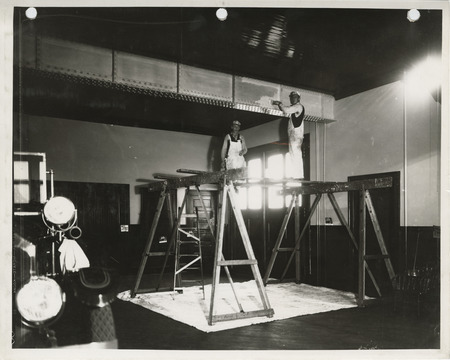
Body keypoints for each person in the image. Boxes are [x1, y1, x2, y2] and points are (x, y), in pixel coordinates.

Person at [272, 91, 305, 179]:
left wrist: (280, 104)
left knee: (296, 154)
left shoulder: (298, 106)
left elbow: (286, 110)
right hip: (293, 135)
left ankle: (298, 176)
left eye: (295, 97)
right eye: (291, 97)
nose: (292, 98)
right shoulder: (294, 109)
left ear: (298, 98)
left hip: (296, 135)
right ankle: (295, 175)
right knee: (293, 154)